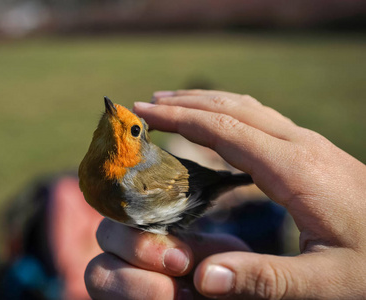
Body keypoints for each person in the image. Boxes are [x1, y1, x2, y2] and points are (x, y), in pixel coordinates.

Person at [84, 89, 366, 299]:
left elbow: (192, 178)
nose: (112, 115)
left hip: (195, 190)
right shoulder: (89, 172)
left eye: (133, 130)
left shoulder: (133, 179)